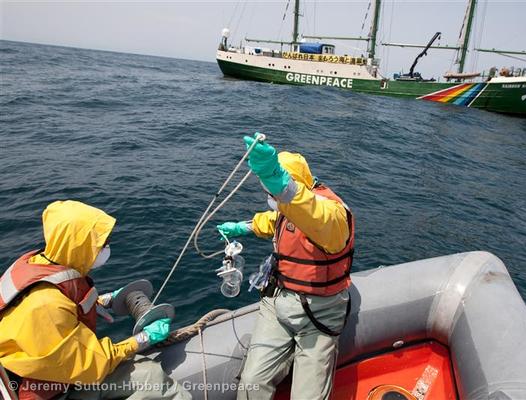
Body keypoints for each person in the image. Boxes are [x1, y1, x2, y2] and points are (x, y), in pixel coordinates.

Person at [0, 200, 191, 400]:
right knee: (150, 376)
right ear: (78, 245)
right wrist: (141, 340)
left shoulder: (34, 264)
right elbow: (88, 365)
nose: (106, 247)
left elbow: (53, 313)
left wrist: (100, 301)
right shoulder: (45, 304)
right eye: (101, 243)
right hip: (48, 390)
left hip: (37, 368)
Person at [217, 133, 355, 400]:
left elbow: (312, 213)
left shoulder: (334, 216)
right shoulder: (288, 208)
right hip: (278, 304)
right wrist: (242, 227)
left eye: (274, 190)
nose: (271, 196)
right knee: (252, 381)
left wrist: (279, 182)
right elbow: (276, 220)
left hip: (321, 315)